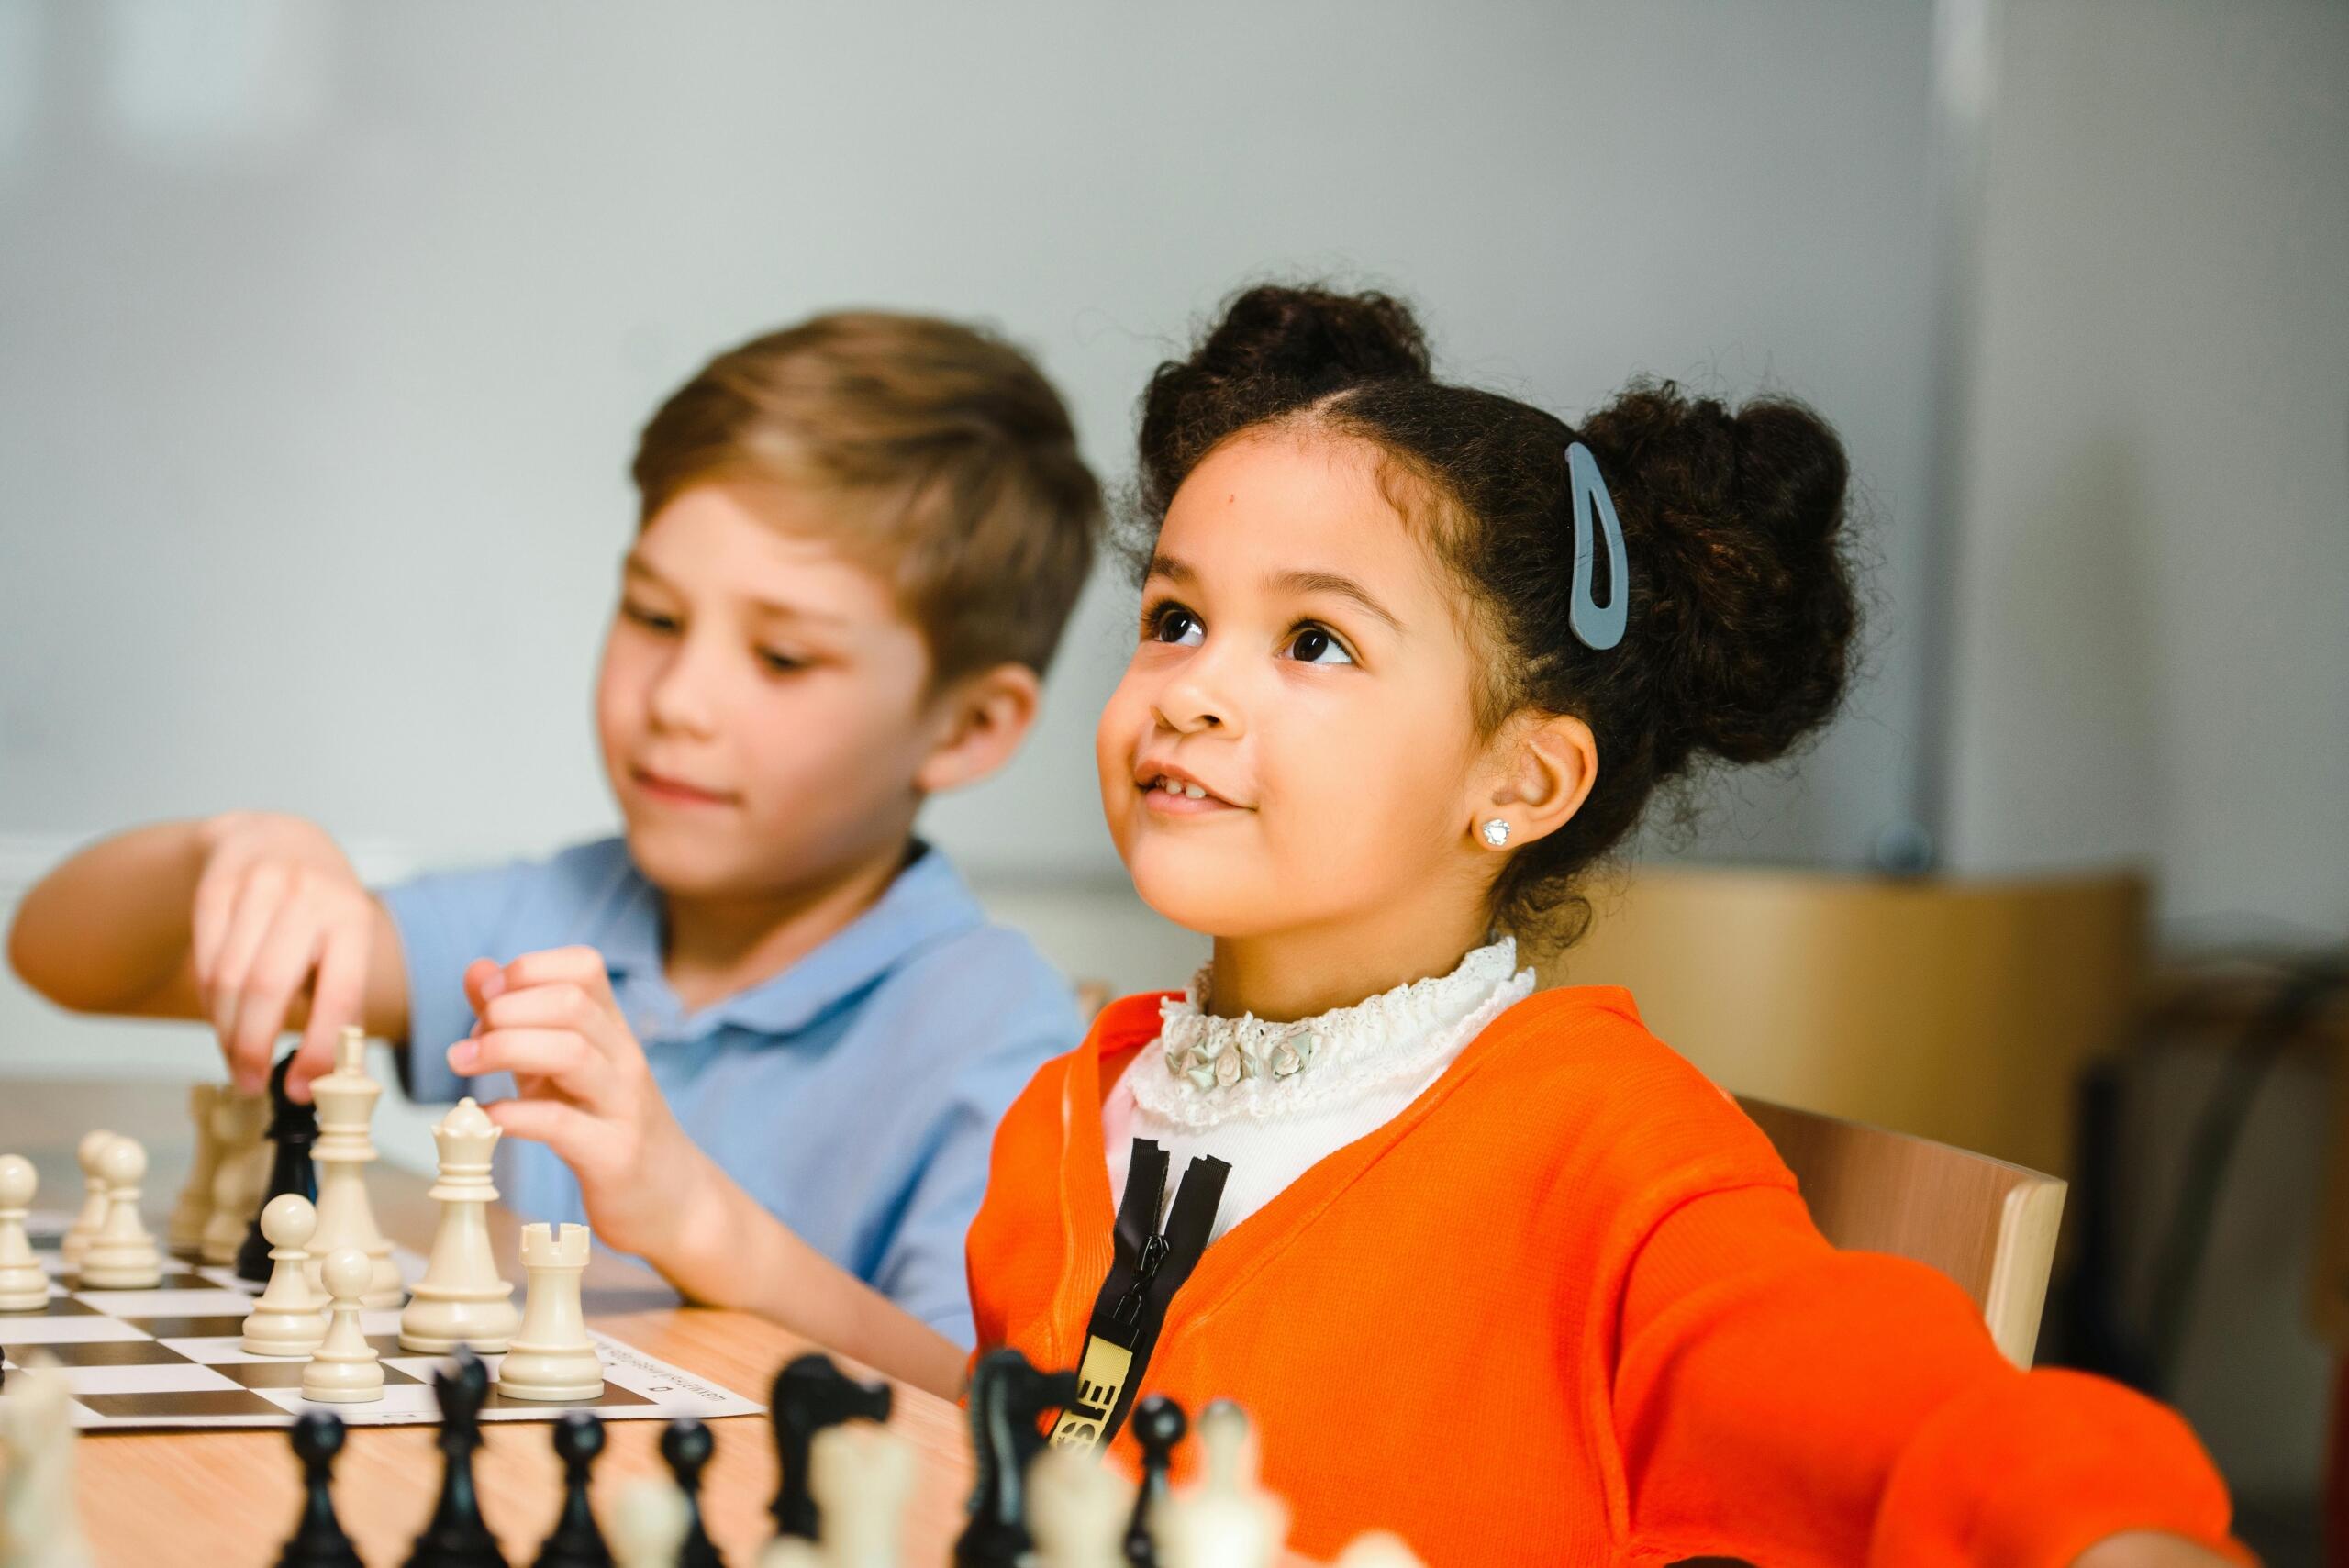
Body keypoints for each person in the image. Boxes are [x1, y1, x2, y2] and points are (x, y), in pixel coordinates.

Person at [7, 310, 1101, 1350]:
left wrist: (700, 1221)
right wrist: (228, 851)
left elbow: (990, 1414)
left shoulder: (998, 1038)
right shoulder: (545, 920)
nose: (678, 699)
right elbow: (59, 956)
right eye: (655, 615)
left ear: (968, 726)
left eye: (782, 657)